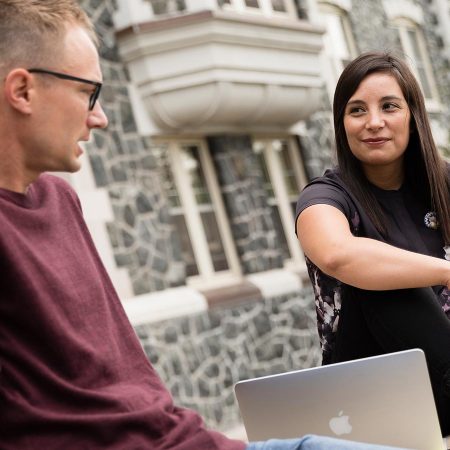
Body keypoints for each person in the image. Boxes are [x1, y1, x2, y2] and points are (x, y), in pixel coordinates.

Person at [0, 1, 410, 448]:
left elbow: (132, 389)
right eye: (89, 93)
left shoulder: (60, 200)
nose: (99, 117)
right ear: (22, 91)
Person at [296, 51, 450, 436]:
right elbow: (338, 254)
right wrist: (446, 272)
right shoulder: (326, 197)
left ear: (413, 117)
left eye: (389, 106)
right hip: (366, 394)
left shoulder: (443, 184)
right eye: (357, 110)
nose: (374, 122)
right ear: (342, 124)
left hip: (439, 388)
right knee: (386, 282)